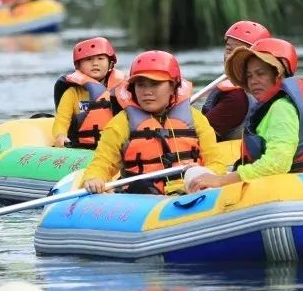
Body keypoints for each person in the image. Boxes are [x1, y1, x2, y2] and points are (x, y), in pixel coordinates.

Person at [188, 38, 303, 192]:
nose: (253, 81)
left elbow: (277, 164)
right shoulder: (270, 107)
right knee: (194, 174)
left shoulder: (281, 108)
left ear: (278, 75)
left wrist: (222, 180)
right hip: (284, 186)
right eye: (249, 76)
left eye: (260, 74)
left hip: (292, 190)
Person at [81, 50, 227, 196]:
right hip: (143, 197)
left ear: (172, 87)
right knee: (140, 186)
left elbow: (216, 162)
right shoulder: (120, 123)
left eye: (155, 84)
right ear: (133, 88)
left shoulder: (195, 118)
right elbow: (101, 164)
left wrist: (206, 176)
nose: (147, 92)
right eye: (141, 85)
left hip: (191, 191)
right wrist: (94, 178)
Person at [52, 37, 127, 149]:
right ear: (78, 66)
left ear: (110, 64)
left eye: (100, 58)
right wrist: (60, 136)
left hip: (113, 147)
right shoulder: (72, 93)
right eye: (88, 59)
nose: (95, 63)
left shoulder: (120, 90)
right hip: (80, 147)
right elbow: (62, 120)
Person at [202, 21, 271, 141]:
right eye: (229, 50)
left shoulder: (236, 98)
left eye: (240, 53)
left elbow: (195, 136)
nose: (230, 57)